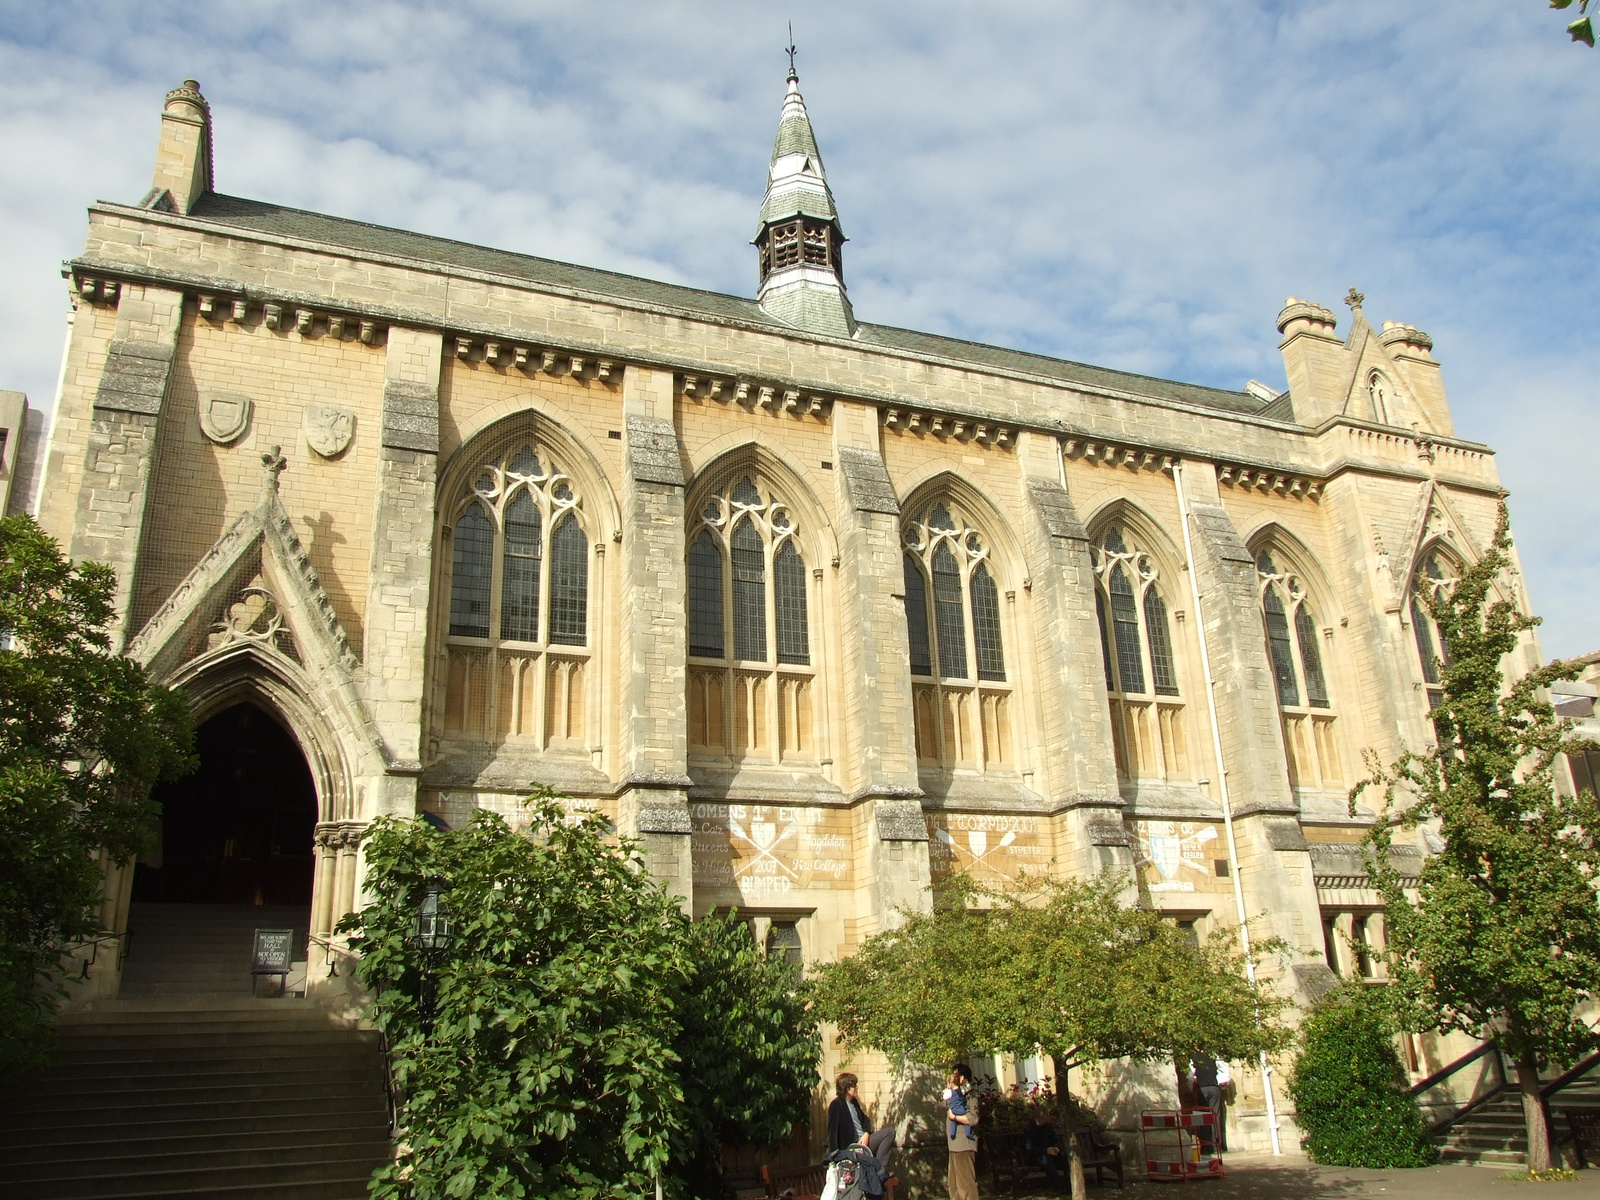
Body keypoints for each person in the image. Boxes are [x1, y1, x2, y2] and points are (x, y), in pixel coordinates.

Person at [827, 1072, 895, 1189]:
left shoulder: (854, 1103)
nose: (856, 1088)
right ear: (847, 1088)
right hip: (852, 1147)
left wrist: (866, 1133)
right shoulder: (836, 1105)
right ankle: (878, 1170)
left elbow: (866, 1121)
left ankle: (879, 1169)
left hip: (864, 1142)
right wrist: (836, 1156)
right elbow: (832, 1132)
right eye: (854, 1086)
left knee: (889, 1132)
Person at [945, 1064, 979, 1200]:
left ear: (963, 1078)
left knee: (966, 1185)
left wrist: (955, 1117)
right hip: (954, 1144)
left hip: (964, 1144)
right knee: (954, 1184)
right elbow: (941, 1103)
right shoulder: (954, 1094)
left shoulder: (970, 1096)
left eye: (955, 1075)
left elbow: (973, 1118)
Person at [1189, 1055, 1230, 1154]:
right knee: (1215, 1117)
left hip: (1202, 1088)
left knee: (1202, 1117)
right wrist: (1222, 1083)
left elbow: (1190, 1077)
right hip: (1214, 1087)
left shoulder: (1194, 1058)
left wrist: (1190, 1090)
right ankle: (1217, 1146)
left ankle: (1206, 1146)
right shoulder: (1214, 1057)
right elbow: (1225, 1072)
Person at [1023, 1111, 1066, 1189]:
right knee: (1046, 1160)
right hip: (1036, 1157)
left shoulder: (1048, 1128)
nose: (1048, 1119)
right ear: (1041, 1117)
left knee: (1065, 1158)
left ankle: (1069, 1186)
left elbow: (1056, 1140)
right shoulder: (1030, 1129)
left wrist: (1056, 1147)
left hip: (1051, 1154)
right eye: (1047, 1117)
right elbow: (1030, 1149)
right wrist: (1045, 1150)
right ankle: (1058, 1187)